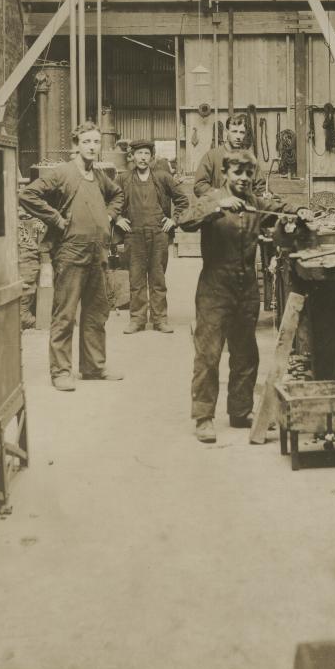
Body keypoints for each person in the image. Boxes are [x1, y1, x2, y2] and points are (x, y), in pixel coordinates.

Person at [178, 150, 313, 443]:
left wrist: (299, 210)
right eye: (237, 172)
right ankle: (203, 417)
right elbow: (184, 220)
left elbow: (279, 208)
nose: (243, 178)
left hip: (246, 286)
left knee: (246, 353)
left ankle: (240, 411)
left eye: (248, 173)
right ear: (226, 173)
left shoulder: (255, 202)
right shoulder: (212, 198)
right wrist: (217, 206)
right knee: (209, 353)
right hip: (215, 287)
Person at [19, 122, 125, 390]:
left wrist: (109, 216)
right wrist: (56, 218)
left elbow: (117, 195)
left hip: (97, 253)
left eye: (96, 142)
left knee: (96, 313)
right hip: (70, 252)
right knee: (65, 314)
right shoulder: (62, 173)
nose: (92, 147)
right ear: (76, 145)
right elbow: (28, 195)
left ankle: (93, 367)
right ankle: (61, 372)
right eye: (86, 142)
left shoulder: (99, 176)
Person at [115, 139, 189, 334]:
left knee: (158, 279)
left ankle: (160, 319)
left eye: (146, 154)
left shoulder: (162, 177)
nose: (143, 158)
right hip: (133, 235)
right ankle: (137, 320)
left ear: (152, 157)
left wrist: (174, 220)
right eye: (139, 153)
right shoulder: (123, 179)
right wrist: (118, 218)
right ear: (132, 156)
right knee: (136, 279)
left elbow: (182, 200)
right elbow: (110, 200)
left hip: (158, 234)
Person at [193, 114, 267, 197]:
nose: (238, 136)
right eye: (234, 131)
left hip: (243, 204)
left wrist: (264, 194)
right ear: (226, 132)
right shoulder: (211, 156)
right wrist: (220, 195)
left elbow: (261, 186)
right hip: (219, 204)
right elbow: (199, 186)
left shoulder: (250, 158)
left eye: (242, 132)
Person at [17, 206, 47, 329]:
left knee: (22, 313)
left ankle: (37, 323)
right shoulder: (34, 223)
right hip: (25, 265)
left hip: (28, 266)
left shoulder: (36, 224)